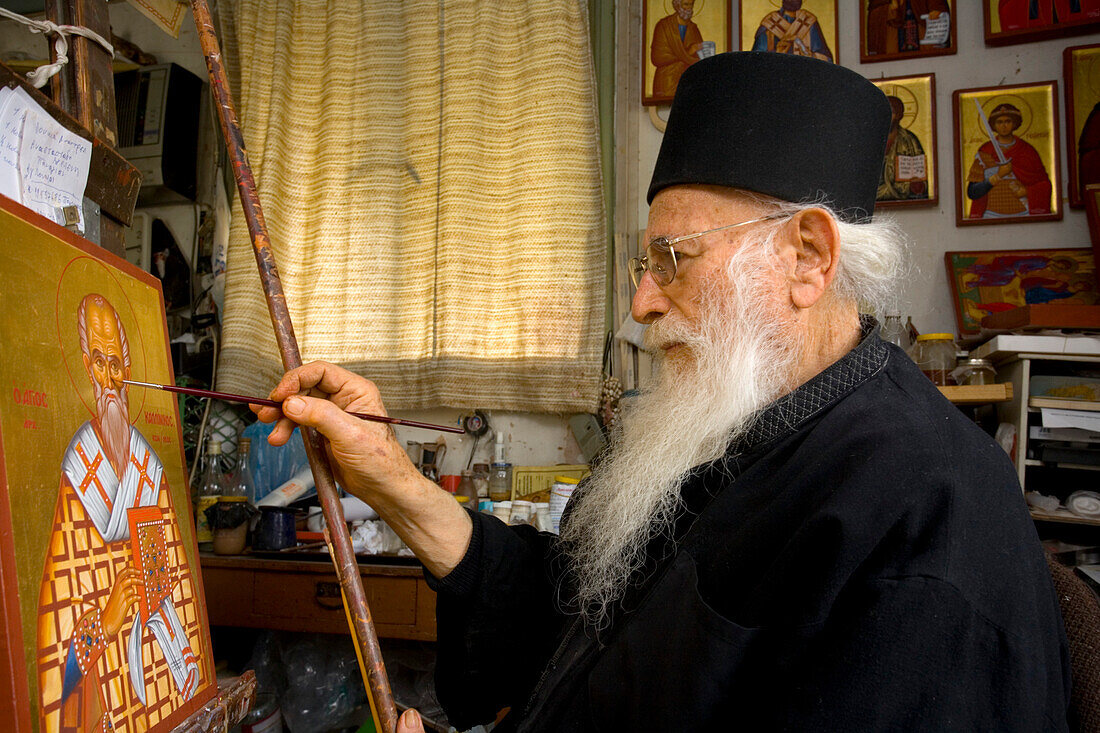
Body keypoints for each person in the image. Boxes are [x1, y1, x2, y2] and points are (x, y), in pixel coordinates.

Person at [255, 52, 1070, 731]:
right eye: (646, 266)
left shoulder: (927, 518)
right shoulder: (740, 421)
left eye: (673, 258)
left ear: (807, 257)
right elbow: (575, 615)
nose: (643, 302)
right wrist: (390, 478)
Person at [37, 294, 201, 732]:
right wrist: (106, 623)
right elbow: (54, 664)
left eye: (116, 364)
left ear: (128, 371)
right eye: (98, 361)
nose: (108, 379)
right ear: (87, 368)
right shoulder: (77, 470)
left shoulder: (151, 469)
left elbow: (180, 591)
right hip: (104, 704)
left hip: (157, 685)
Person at [966, 102, 1053, 219]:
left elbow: (1044, 184)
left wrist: (1026, 191)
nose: (1003, 126)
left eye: (1008, 121)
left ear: (1014, 123)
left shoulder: (1027, 151)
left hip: (1023, 213)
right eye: (999, 122)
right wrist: (998, 175)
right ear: (994, 125)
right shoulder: (985, 152)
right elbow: (973, 192)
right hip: (991, 215)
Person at [878, 95, 929, 201]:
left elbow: (920, 175)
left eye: (890, 112)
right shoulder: (870, 140)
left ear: (899, 115)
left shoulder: (910, 140)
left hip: (901, 192)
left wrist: (917, 185)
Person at [650, 0, 704, 99]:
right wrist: (688, 52)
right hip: (667, 82)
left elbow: (699, 58)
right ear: (677, 5)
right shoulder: (664, 26)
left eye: (691, 4)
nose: (689, 8)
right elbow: (657, 57)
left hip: (688, 82)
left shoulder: (693, 28)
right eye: (686, 4)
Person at [751, 0, 833, 62]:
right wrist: (777, 52)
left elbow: (827, 59)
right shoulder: (770, 23)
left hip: (804, 76)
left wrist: (810, 55)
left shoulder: (809, 21)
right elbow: (756, 59)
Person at [865, 0, 950, 56]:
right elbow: (874, 11)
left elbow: (938, 6)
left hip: (923, 39)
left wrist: (936, 11)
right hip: (892, 40)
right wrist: (890, 8)